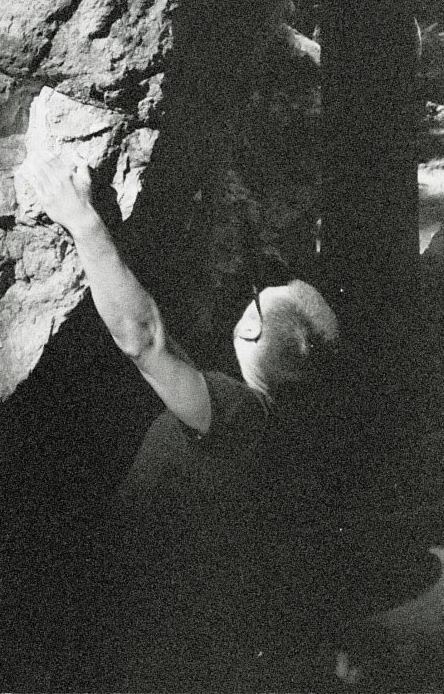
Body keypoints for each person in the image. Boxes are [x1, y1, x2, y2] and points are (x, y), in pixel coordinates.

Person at [17, 117, 342, 692]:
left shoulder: (235, 415)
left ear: (253, 330)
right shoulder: (274, 425)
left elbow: (143, 339)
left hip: (146, 649)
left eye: (257, 302)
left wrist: (83, 220)